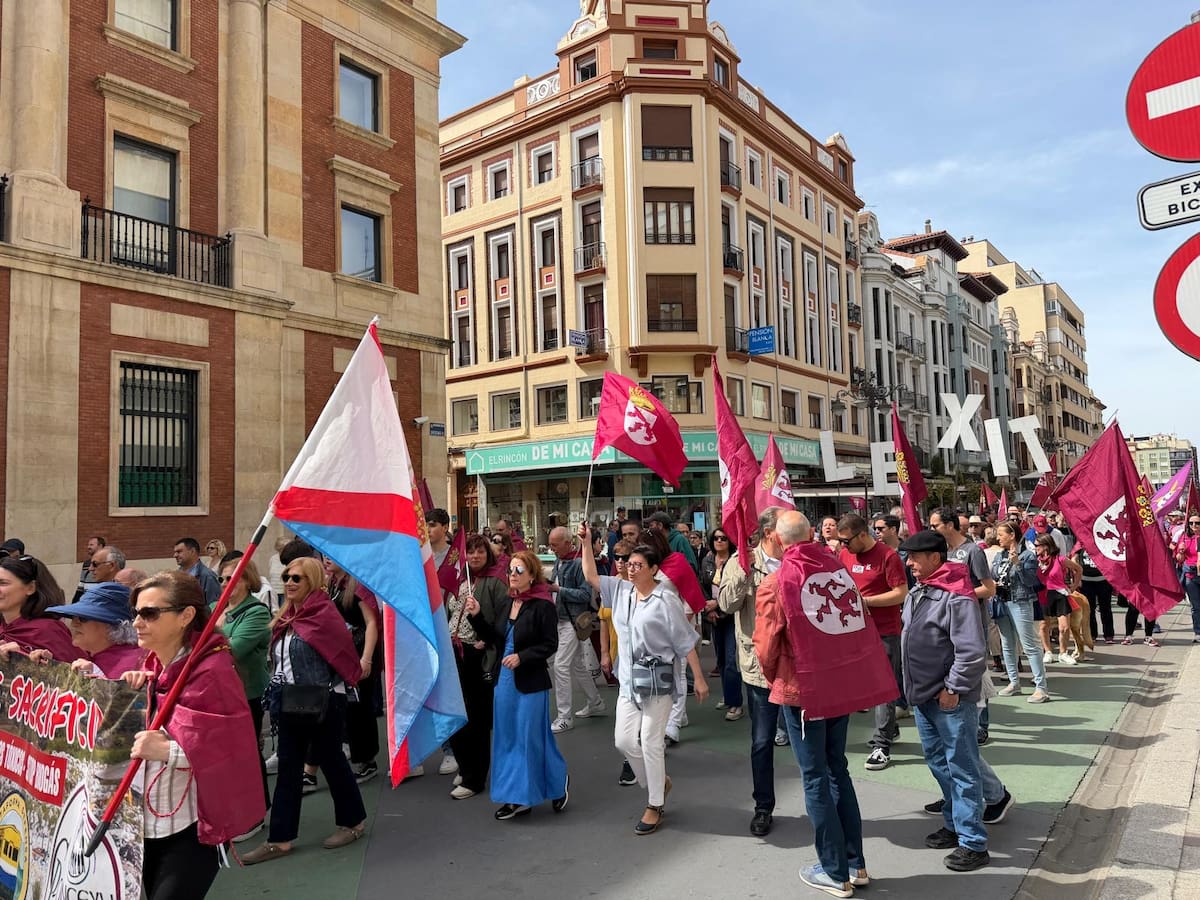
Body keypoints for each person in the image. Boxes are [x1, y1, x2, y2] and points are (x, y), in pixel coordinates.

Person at [754, 510, 898, 895]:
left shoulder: (776, 581)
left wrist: (776, 679)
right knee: (837, 769)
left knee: (815, 775)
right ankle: (855, 863)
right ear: (812, 534)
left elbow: (766, 645)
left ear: (781, 541)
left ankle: (835, 872)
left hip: (802, 688)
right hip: (838, 685)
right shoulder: (838, 570)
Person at [126, 571, 265, 899]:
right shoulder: (153, 667)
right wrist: (122, 692)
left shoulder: (213, 670)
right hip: (144, 826)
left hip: (192, 829)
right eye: (136, 612)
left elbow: (232, 750)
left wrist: (168, 752)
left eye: (149, 613)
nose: (136, 622)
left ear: (186, 616)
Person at [578, 525, 708, 835]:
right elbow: (591, 576)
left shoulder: (665, 600)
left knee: (650, 741)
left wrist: (699, 679)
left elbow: (685, 641)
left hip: (658, 680)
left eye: (636, 564)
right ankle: (657, 783)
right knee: (623, 741)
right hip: (628, 681)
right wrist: (585, 543)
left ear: (653, 569)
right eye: (625, 563)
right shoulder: (620, 591)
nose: (628, 568)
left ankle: (654, 805)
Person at [243, 557, 366, 865]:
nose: (289, 582)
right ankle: (280, 839)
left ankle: (353, 823)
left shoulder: (324, 615)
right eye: (286, 576)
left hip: (323, 702)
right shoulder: (287, 617)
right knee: (288, 767)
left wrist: (322, 689)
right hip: (289, 701)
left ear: (311, 580)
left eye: (297, 577)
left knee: (332, 761)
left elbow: (342, 657)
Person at [898, 529, 990, 873]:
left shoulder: (957, 596)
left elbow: (971, 651)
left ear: (935, 558)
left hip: (949, 699)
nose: (910, 564)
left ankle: (973, 842)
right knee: (939, 763)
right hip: (924, 696)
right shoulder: (920, 591)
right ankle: (954, 825)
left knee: (963, 768)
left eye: (915, 558)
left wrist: (953, 687)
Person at [466, 549, 568, 820]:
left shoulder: (543, 605)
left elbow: (550, 644)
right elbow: (495, 640)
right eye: (511, 569)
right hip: (505, 683)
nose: (512, 575)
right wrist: (476, 616)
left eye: (519, 570)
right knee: (507, 739)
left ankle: (528, 795)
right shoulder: (507, 603)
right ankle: (523, 792)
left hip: (531, 682)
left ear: (532, 575)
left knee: (530, 739)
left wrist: (522, 657)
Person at [717, 506, 786, 836]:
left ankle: (823, 802)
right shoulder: (742, 561)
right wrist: (744, 571)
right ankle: (763, 806)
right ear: (772, 531)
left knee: (812, 742)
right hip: (761, 667)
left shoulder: (799, 559)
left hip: (799, 666)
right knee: (762, 741)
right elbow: (725, 605)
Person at [837, 514, 907, 771]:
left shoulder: (887, 556)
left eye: (846, 541)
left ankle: (882, 745)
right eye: (841, 542)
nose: (843, 546)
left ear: (862, 534)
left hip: (885, 630)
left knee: (883, 687)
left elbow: (901, 593)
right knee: (868, 686)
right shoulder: (845, 556)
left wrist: (865, 601)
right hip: (855, 630)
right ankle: (890, 728)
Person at [446, 534, 507, 799]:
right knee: (455, 715)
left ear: (488, 554)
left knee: (477, 722)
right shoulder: (459, 580)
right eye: (470, 552)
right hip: (454, 654)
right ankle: (465, 765)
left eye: (480, 551)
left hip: (477, 658)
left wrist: (479, 619)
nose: (475, 556)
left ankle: (475, 778)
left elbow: (500, 630)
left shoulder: (496, 583)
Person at [215, 557, 273, 835]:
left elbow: (233, 649)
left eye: (232, 579)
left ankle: (256, 813)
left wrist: (209, 644)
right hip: (218, 693)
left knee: (247, 753)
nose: (226, 584)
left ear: (248, 581)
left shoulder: (257, 612)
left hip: (246, 692)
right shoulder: (216, 609)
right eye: (222, 579)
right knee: (228, 756)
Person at [324, 559, 381, 783]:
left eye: (331, 555)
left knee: (361, 709)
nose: (326, 559)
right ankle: (359, 756)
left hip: (359, 654)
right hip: (342, 655)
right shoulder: (334, 584)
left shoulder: (358, 586)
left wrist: (366, 659)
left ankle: (367, 760)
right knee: (348, 707)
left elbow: (371, 623)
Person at [547, 526, 605, 733]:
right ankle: (595, 702)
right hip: (565, 620)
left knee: (561, 665)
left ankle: (565, 716)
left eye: (555, 544)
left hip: (573, 622)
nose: (551, 548)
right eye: (551, 544)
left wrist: (558, 590)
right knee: (578, 665)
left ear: (567, 542)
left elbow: (584, 595)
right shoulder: (560, 561)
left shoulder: (579, 563)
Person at [991, 523, 1050, 702]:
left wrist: (1017, 564)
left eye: (1001, 534)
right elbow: (994, 575)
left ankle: (1041, 687)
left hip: (1021, 601)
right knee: (1007, 644)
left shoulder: (1027, 556)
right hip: (1002, 601)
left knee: (1029, 645)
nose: (998, 538)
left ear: (1012, 535)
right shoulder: (999, 555)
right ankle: (1013, 681)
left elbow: (1031, 581)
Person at [41, 581, 144, 677]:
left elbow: (119, 694)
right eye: (73, 617)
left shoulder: (132, 666)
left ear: (113, 625)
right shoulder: (102, 657)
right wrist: (48, 666)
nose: (74, 623)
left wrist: (96, 676)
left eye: (83, 618)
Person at [0, 556, 83, 662]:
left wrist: (21, 659)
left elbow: (77, 674)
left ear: (30, 588)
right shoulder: (2, 627)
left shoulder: (48, 631)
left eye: (3, 583)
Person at [701, 528, 742, 722]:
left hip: (732, 615)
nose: (719, 541)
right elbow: (703, 586)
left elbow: (737, 588)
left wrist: (718, 605)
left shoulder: (735, 561)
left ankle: (736, 703)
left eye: (724, 538)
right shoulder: (708, 560)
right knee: (722, 660)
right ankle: (728, 696)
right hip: (714, 616)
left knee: (732, 660)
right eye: (716, 538)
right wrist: (708, 609)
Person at [1035, 535, 1082, 665]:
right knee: (1044, 625)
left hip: (1059, 594)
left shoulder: (1060, 559)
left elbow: (1078, 569)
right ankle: (1048, 652)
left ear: (1046, 546)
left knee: (1064, 627)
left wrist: (1074, 585)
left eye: (1037, 545)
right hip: (1043, 595)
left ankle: (1063, 653)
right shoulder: (1035, 561)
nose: (1035, 548)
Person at [1075, 544, 1115, 645]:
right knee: (1089, 609)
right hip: (1086, 582)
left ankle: (1109, 635)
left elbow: (1112, 559)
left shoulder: (1101, 540)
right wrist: (1077, 578)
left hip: (1103, 581)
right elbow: (1074, 558)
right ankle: (1092, 634)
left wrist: (1113, 579)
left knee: (1105, 608)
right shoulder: (1081, 542)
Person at [173, 538, 222, 605]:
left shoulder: (208, 577)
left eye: (179, 552)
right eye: (175, 552)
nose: (175, 555)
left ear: (192, 551)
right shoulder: (175, 576)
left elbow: (213, 607)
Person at [1175, 513, 1200, 642]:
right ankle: (1198, 632)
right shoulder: (1184, 538)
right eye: (1191, 523)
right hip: (1191, 574)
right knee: (1195, 606)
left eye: (1197, 523)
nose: (1194, 526)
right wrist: (1181, 551)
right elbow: (1179, 559)